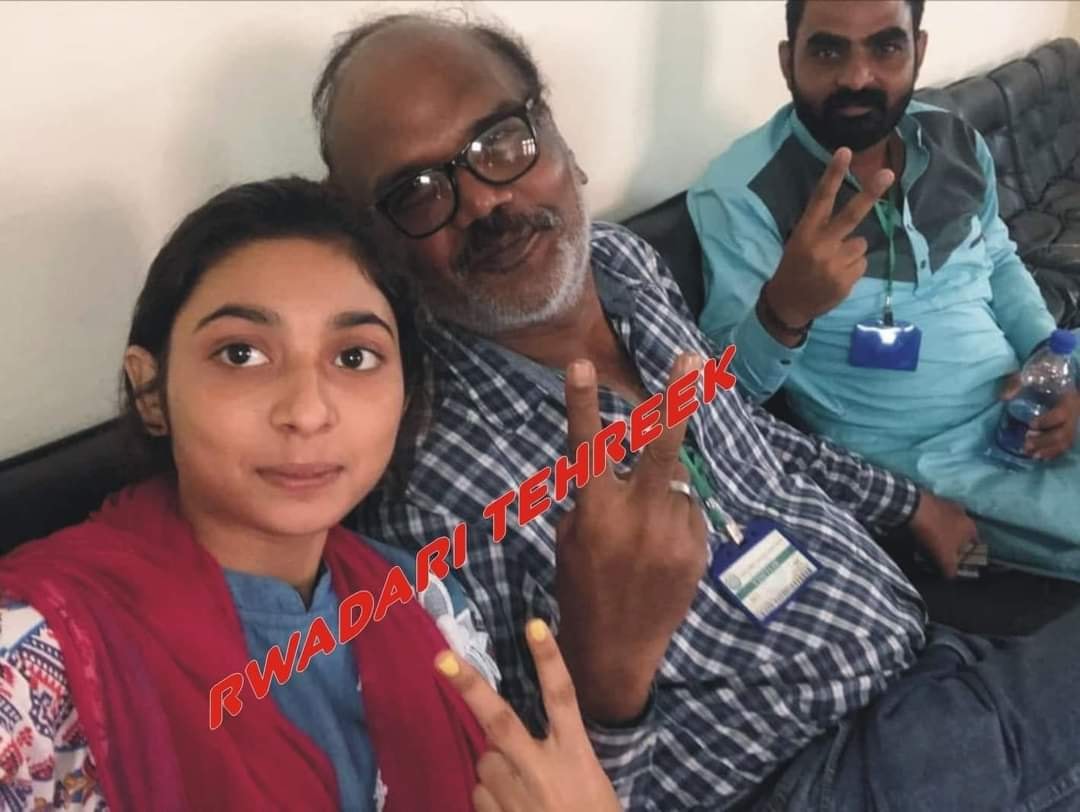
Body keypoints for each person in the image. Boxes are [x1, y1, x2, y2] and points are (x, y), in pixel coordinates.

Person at [310, 11, 1080, 810]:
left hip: (919, 653)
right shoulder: (429, 488)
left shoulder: (621, 263)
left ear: (553, 130)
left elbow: (743, 430)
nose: (483, 202)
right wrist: (608, 682)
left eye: (499, 142)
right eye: (415, 193)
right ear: (377, 241)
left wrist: (907, 503)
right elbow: (520, 783)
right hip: (802, 772)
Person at [0, 177, 620, 812]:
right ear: (150, 391)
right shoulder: (32, 667)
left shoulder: (423, 601)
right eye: (241, 354)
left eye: (354, 358)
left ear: (405, 395)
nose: (306, 411)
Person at [687, 0, 1080, 579]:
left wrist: (1055, 369)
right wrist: (782, 312)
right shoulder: (740, 192)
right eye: (828, 50)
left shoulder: (954, 139)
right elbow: (722, 401)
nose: (857, 77)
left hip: (1027, 409)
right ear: (787, 61)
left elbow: (998, 259)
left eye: (886, 47)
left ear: (918, 50)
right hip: (934, 465)